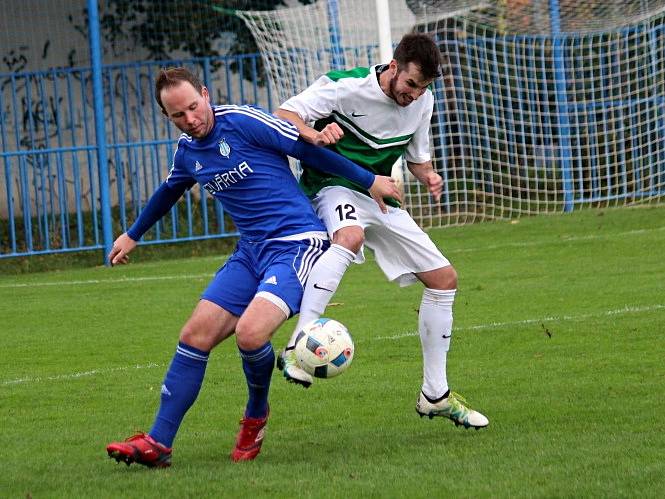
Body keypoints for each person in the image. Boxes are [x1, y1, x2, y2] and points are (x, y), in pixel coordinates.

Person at [105, 67, 401, 467]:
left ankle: (256, 413)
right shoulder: (187, 151)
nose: (191, 119)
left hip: (297, 244)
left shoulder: (243, 121)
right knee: (193, 336)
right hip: (250, 252)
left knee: (249, 334)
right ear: (168, 117)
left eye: (194, 107)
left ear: (205, 94)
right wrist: (133, 234)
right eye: (178, 115)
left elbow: (307, 150)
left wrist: (369, 180)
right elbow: (170, 188)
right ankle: (158, 443)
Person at [274, 33, 489, 429]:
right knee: (349, 237)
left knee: (444, 279)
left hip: (379, 195)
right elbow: (285, 114)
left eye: (423, 87)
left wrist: (430, 176)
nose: (414, 94)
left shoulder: (423, 101)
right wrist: (315, 134)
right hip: (331, 186)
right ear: (393, 67)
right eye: (410, 84)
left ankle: (435, 395)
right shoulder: (344, 86)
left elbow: (417, 158)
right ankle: (297, 345)